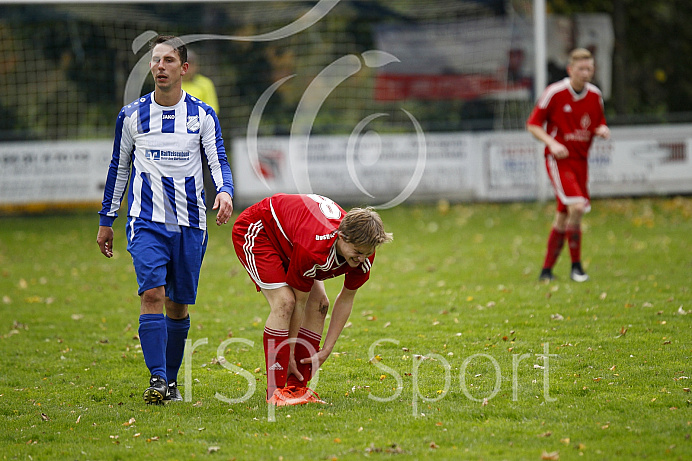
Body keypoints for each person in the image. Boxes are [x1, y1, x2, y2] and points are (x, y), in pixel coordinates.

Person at [96, 35, 234, 404]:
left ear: (183, 69)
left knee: (177, 305)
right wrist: (107, 218)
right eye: (155, 60)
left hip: (190, 223)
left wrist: (224, 191)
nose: (160, 66)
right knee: (153, 294)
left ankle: (170, 382)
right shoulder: (131, 116)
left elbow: (217, 159)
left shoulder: (203, 115)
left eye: (168, 60)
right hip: (146, 221)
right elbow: (118, 168)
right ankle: (157, 379)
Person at [231, 193, 393, 406]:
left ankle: (297, 388)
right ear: (342, 237)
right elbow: (299, 302)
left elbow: (346, 299)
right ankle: (276, 392)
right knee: (285, 302)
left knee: (320, 305)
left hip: (293, 238)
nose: (362, 258)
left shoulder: (363, 250)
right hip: (259, 230)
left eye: (367, 253)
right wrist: (287, 349)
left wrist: (326, 349)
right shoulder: (314, 248)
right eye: (357, 252)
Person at [527, 48, 610, 282]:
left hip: (581, 162)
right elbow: (533, 125)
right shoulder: (554, 93)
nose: (586, 73)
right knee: (576, 208)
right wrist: (552, 144)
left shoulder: (595, 95)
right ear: (570, 70)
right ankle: (577, 268)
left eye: (590, 69)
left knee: (563, 217)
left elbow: (597, 122)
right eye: (581, 69)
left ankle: (546, 272)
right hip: (559, 161)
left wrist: (601, 129)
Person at [181, 49, 220, 114]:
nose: (188, 69)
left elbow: (213, 109)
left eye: (191, 64)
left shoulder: (205, 83)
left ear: (196, 66)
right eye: (184, 64)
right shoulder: (172, 83)